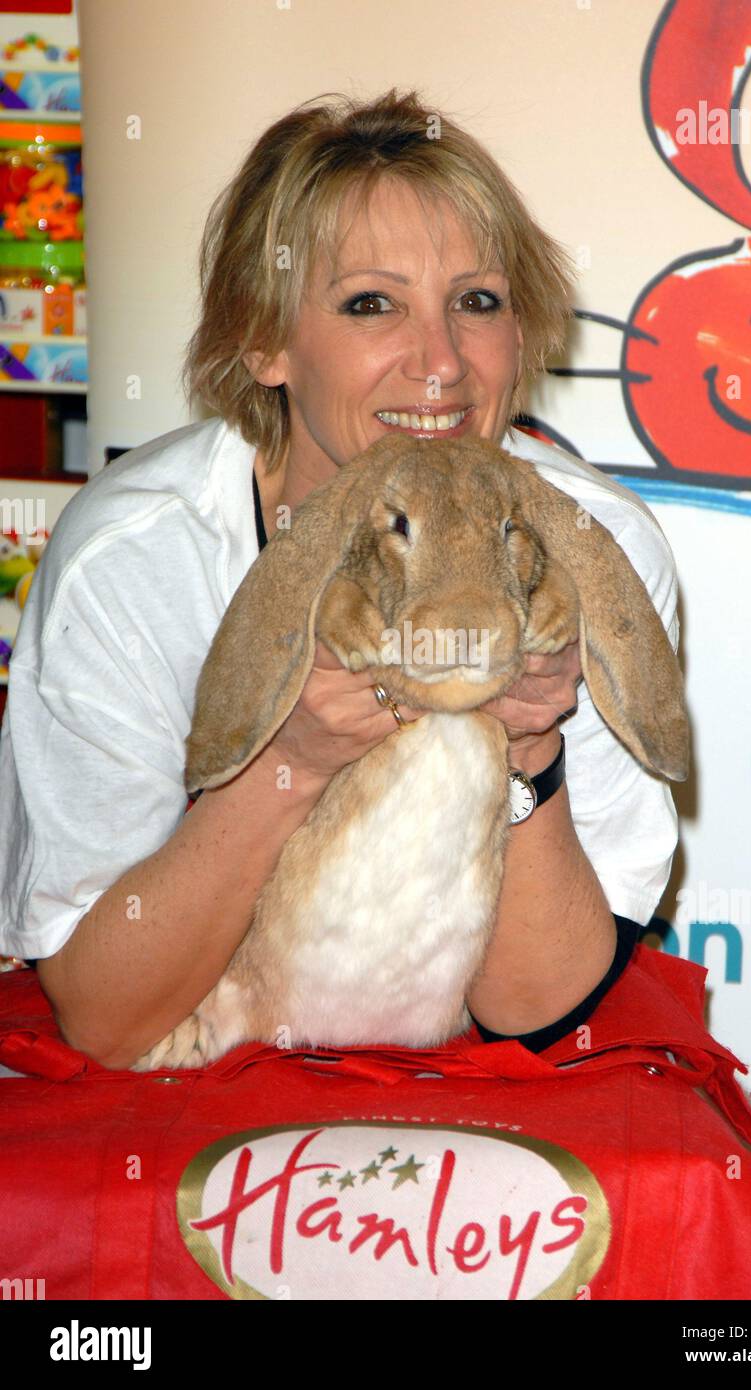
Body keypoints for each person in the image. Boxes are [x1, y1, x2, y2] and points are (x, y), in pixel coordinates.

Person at [0, 89, 679, 1071]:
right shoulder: (136, 557)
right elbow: (109, 1018)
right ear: (263, 340)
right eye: (372, 304)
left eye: (477, 303)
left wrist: (530, 752)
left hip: (459, 1076)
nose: (441, 362)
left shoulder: (588, 543)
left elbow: (533, 1009)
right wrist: (295, 761)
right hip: (200, 1068)